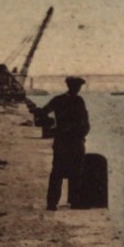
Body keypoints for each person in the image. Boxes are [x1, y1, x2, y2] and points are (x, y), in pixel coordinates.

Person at [28, 76, 90, 211]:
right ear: (76, 87)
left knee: (57, 171)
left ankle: (52, 203)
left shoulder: (58, 99)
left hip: (61, 139)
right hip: (75, 139)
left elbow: (42, 112)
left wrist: (50, 126)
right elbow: (84, 122)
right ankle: (74, 201)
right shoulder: (79, 101)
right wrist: (83, 133)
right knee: (76, 171)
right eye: (78, 86)